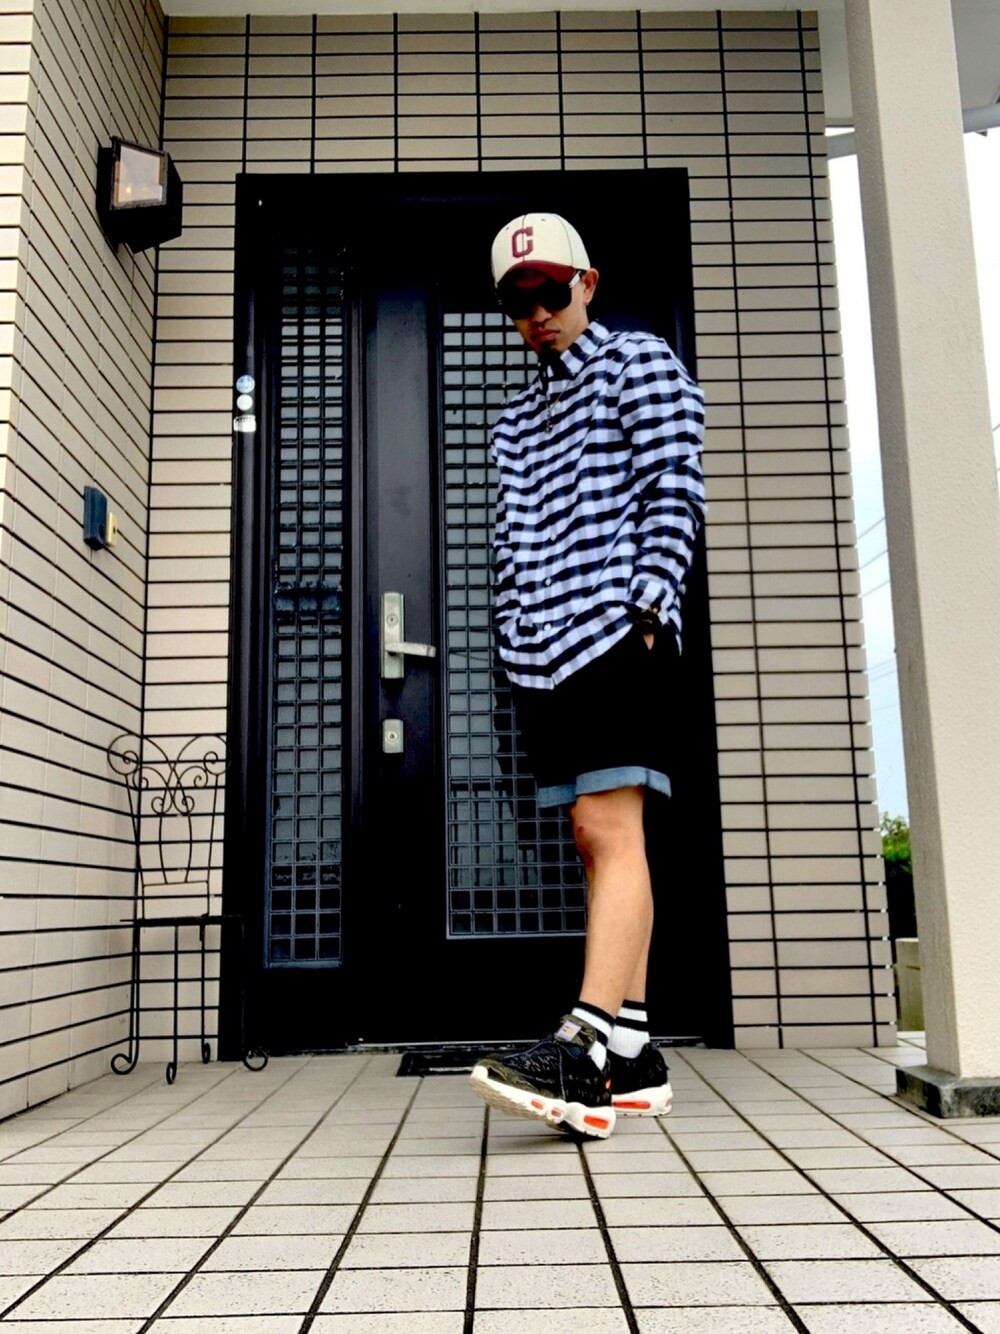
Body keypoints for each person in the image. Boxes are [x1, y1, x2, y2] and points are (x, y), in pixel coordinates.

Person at [468, 212, 706, 1138]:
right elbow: (512, 543)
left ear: (588, 285)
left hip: (617, 634)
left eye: (551, 291)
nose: (537, 312)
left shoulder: (638, 363)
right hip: (544, 652)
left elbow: (675, 487)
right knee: (594, 836)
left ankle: (584, 1044)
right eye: (517, 300)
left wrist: (646, 611)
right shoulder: (512, 422)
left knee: (608, 825)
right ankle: (635, 1052)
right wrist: (512, 632)